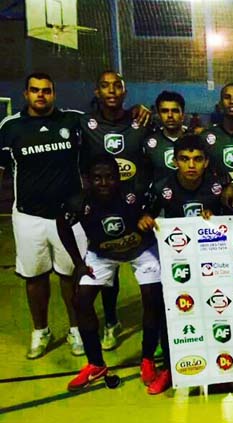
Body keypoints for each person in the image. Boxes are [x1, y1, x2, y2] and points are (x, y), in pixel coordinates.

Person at [57, 156, 169, 394]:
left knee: (152, 299)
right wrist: (78, 263)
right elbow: (62, 226)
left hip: (142, 250)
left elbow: (157, 200)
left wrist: (147, 214)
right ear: (87, 179)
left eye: (110, 177)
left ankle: (148, 359)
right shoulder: (78, 202)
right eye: (97, 178)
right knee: (81, 301)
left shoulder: (134, 194)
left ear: (119, 178)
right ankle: (96, 364)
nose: (104, 183)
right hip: (102, 254)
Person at [0, 72, 86, 358]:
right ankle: (41, 331)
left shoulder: (72, 121)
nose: (41, 95)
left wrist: (138, 111)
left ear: (53, 94)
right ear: (25, 94)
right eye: (35, 90)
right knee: (35, 276)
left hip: (69, 216)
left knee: (71, 274)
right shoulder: (10, 126)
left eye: (46, 90)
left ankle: (77, 329)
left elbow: (107, 121)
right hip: (28, 216)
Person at [79, 70, 153, 350]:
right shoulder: (84, 123)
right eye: (105, 86)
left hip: (136, 205)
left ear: (125, 92)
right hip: (102, 205)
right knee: (107, 263)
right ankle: (111, 321)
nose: (111, 90)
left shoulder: (140, 122)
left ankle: (157, 331)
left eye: (117, 86)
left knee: (146, 269)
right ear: (96, 92)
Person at [140, 134, 233, 222]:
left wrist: (216, 219)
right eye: (184, 159)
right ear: (175, 162)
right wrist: (145, 221)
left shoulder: (221, 185)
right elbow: (147, 216)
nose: (191, 165)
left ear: (206, 162)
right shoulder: (161, 187)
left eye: (198, 159)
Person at [145, 91, 186, 184]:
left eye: (175, 111)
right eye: (164, 111)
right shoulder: (148, 143)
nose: (170, 115)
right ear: (159, 115)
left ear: (183, 114)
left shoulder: (196, 140)